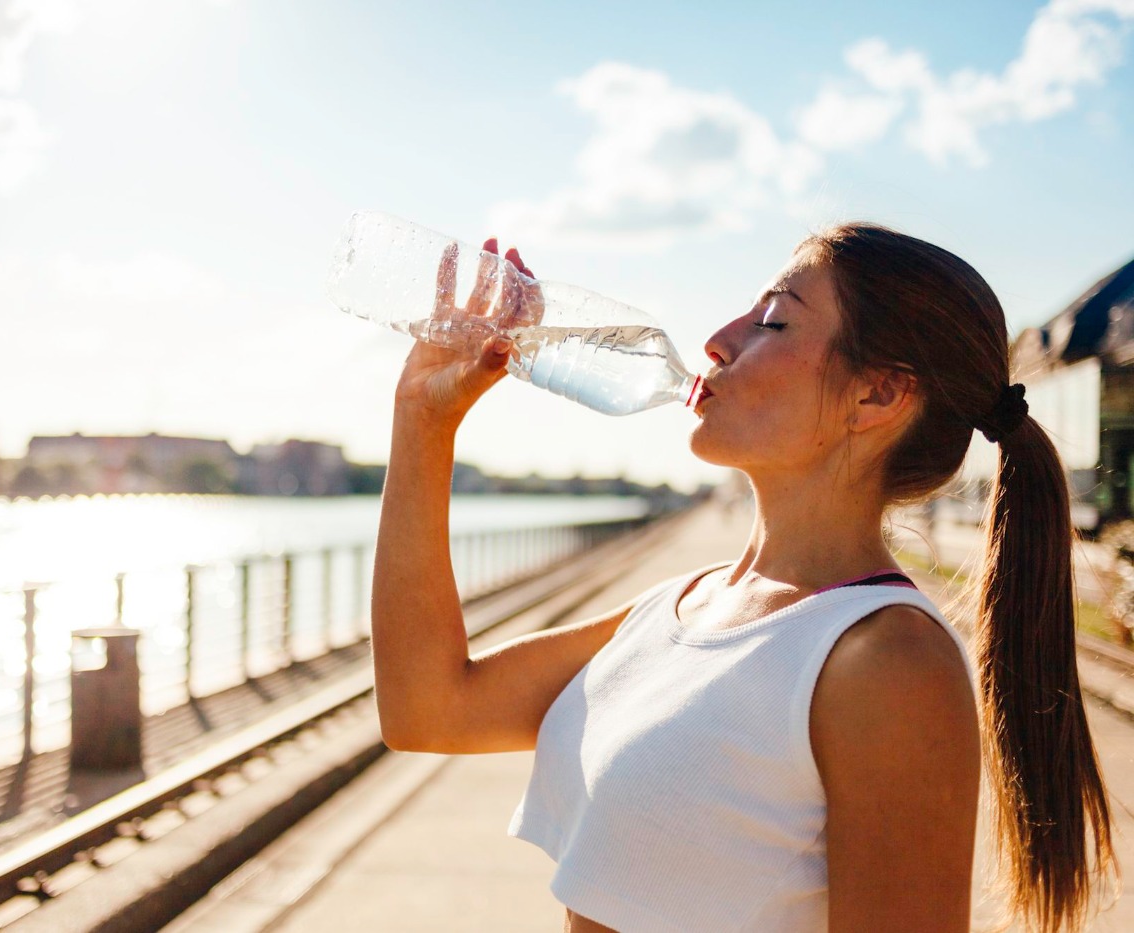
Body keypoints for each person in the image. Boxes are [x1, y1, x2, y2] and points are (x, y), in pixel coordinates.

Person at [370, 223, 1117, 932]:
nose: (717, 341)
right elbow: (428, 707)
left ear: (877, 395)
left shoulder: (886, 660)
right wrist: (423, 421)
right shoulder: (686, 606)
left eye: (772, 321)